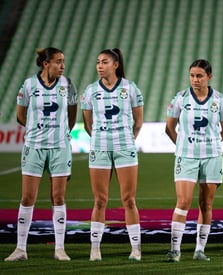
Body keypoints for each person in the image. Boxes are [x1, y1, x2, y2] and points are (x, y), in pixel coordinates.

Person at [5, 47, 77, 261]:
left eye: (63, 61)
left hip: (60, 148)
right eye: (58, 61)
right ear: (46, 64)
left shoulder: (67, 85)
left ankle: (60, 249)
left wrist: (62, 133)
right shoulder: (28, 85)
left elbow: (71, 114)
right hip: (34, 146)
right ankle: (20, 249)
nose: (62, 65)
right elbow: (20, 116)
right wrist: (37, 128)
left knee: (58, 196)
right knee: (27, 197)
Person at [165, 59, 223, 262]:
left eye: (199, 76)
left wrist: (211, 144)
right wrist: (183, 145)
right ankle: (175, 250)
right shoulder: (181, 98)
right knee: (183, 201)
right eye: (192, 75)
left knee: (206, 203)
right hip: (186, 156)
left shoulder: (219, 99)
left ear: (209, 76)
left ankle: (199, 250)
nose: (195, 80)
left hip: (212, 157)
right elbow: (169, 127)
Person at [80, 48, 144, 261]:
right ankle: (95, 249)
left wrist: (126, 138)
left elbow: (139, 122)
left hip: (125, 148)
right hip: (99, 148)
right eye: (98, 61)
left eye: (104, 62)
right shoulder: (90, 91)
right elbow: (88, 124)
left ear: (115, 65)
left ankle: (135, 249)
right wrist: (100, 139)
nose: (99, 65)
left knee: (129, 199)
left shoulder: (130, 88)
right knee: (99, 200)